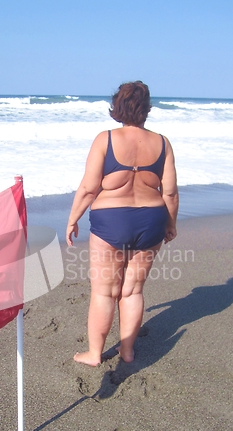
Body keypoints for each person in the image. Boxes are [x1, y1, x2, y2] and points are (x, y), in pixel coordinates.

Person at [66, 81, 179, 366]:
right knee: (132, 290)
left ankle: (94, 354)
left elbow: (89, 189)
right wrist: (171, 224)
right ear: (146, 108)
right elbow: (170, 192)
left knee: (105, 291)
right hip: (151, 221)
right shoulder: (162, 143)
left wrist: (72, 219)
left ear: (117, 105)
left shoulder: (105, 139)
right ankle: (127, 351)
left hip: (111, 222)